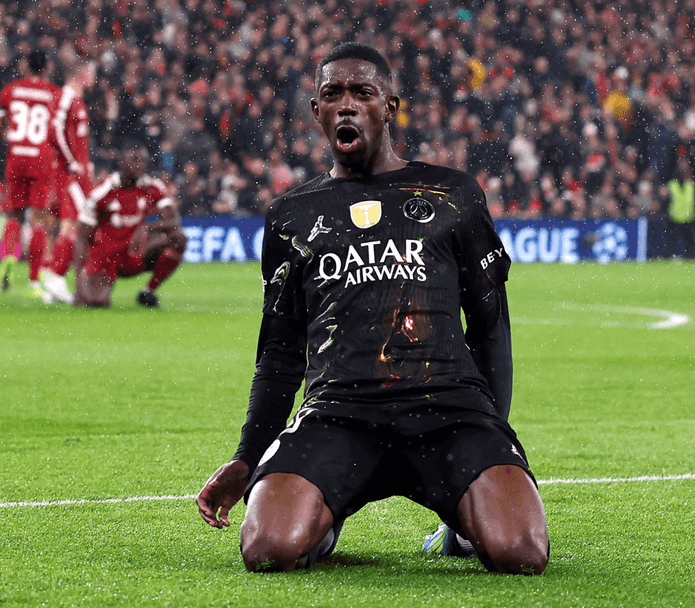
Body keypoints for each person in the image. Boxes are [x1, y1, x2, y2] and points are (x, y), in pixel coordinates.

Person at [196, 42, 549, 575]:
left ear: (390, 107)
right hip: (339, 413)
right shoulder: (292, 215)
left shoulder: (452, 195)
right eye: (331, 93)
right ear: (316, 111)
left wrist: (490, 442)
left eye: (363, 92)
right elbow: (280, 352)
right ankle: (324, 518)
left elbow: (490, 328)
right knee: (268, 547)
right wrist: (248, 456)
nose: (346, 104)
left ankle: (459, 522)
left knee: (520, 551)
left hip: (448, 412)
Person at [0, 49, 62, 295]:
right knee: (39, 222)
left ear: (26, 66)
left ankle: (8, 256)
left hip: (17, 157)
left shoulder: (10, 90)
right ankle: (33, 280)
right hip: (41, 159)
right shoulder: (54, 94)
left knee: (13, 217)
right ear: (47, 67)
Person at [71, 142, 186, 308]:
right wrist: (79, 286)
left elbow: (173, 221)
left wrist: (147, 227)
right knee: (95, 302)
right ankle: (95, 288)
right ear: (122, 162)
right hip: (106, 258)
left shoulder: (152, 187)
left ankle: (147, 293)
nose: (140, 165)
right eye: (135, 160)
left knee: (178, 239)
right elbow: (82, 238)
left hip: (133, 254)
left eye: (143, 161)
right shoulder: (102, 192)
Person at [40, 61, 98, 305]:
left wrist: (86, 164)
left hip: (78, 174)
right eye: (93, 72)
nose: (95, 77)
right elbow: (54, 129)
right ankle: (55, 275)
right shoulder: (66, 96)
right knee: (77, 224)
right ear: (82, 74)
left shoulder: (76, 100)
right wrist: (73, 162)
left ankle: (52, 284)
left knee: (69, 226)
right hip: (70, 175)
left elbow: (73, 137)